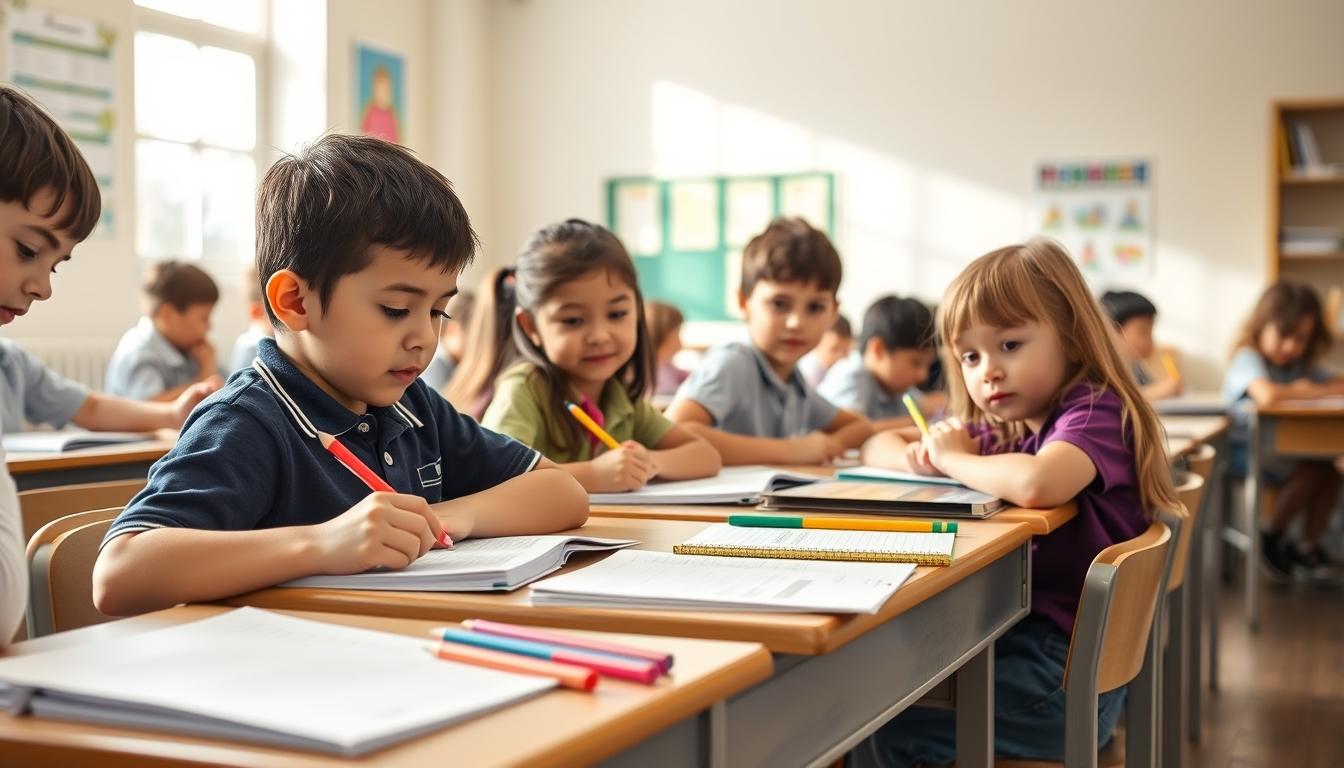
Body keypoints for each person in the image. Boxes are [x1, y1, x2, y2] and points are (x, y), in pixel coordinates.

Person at [93, 134, 588, 617]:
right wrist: (322, 543)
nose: (424, 337)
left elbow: (562, 494)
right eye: (396, 309)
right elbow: (119, 575)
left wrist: (447, 518)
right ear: (296, 302)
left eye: (438, 311)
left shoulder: (411, 406)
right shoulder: (248, 421)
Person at [855, 238, 1179, 765]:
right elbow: (873, 444)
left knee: (880, 725)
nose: (989, 371)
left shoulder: (1093, 410)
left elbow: (1037, 484)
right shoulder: (1020, 431)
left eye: (1010, 345)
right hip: (1056, 663)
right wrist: (926, 455)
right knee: (887, 686)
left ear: (1072, 337)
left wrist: (954, 460)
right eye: (971, 356)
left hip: (1062, 684)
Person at [483, 219, 720, 492]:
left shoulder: (619, 398)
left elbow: (705, 456)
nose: (600, 336)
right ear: (532, 326)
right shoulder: (524, 389)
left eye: (617, 314)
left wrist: (649, 462)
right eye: (572, 320)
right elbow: (496, 475)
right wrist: (593, 474)